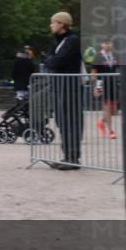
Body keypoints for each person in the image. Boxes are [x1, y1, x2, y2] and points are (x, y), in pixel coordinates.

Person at [44, 12, 83, 168]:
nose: (51, 25)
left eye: (53, 22)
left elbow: (56, 62)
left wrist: (50, 60)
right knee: (62, 121)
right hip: (60, 86)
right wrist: (50, 59)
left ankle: (73, 158)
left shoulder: (72, 41)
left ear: (62, 24)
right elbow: (48, 58)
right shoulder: (58, 41)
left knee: (70, 121)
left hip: (70, 87)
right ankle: (67, 155)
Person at [91, 39, 119, 139]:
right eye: (106, 43)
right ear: (102, 44)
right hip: (101, 83)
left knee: (114, 111)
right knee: (106, 108)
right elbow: (94, 72)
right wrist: (95, 86)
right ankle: (111, 131)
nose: (108, 45)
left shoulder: (115, 56)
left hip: (113, 84)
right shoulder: (98, 56)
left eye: (110, 43)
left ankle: (101, 121)